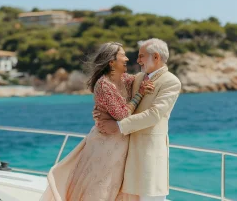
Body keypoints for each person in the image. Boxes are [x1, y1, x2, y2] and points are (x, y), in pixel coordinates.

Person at [39, 42, 154, 201]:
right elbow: (122, 115)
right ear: (111, 62)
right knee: (100, 187)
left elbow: (140, 78)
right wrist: (140, 94)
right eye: (123, 55)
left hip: (119, 143)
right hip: (104, 144)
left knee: (114, 188)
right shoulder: (104, 84)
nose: (127, 58)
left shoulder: (126, 79)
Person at [94, 38, 182, 201]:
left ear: (156, 57)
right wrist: (101, 111)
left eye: (141, 56)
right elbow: (115, 92)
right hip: (127, 155)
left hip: (150, 155)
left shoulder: (171, 82)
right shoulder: (138, 78)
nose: (138, 60)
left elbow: (154, 114)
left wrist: (118, 126)